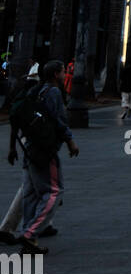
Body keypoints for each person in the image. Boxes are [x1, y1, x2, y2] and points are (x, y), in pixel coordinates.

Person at [13, 61, 80, 252]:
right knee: (54, 191)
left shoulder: (36, 90)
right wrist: (70, 141)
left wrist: (13, 146)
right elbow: (57, 119)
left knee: (30, 193)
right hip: (45, 149)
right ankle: (30, 233)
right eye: (63, 71)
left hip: (30, 147)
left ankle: (29, 238)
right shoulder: (53, 92)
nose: (65, 74)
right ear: (56, 74)